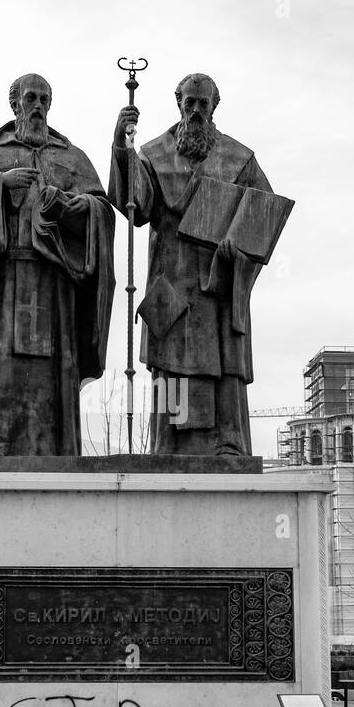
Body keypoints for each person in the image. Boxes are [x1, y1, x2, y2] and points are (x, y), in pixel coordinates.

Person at [109, 72, 292, 456]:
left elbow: (263, 214)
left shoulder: (239, 158)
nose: (194, 111)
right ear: (178, 103)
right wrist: (122, 147)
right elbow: (135, 207)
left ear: (214, 107)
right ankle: (167, 446)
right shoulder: (154, 154)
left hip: (219, 281)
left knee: (223, 362)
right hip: (172, 280)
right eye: (188, 103)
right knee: (171, 366)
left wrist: (238, 247)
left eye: (202, 104)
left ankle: (228, 443)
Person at [0, 73, 116, 456]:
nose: (37, 106)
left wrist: (79, 206)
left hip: (57, 281)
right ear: (15, 104)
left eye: (44, 100)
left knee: (56, 368)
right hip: (5, 279)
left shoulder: (71, 157)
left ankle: (58, 447)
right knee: (5, 364)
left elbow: (103, 210)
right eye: (30, 99)